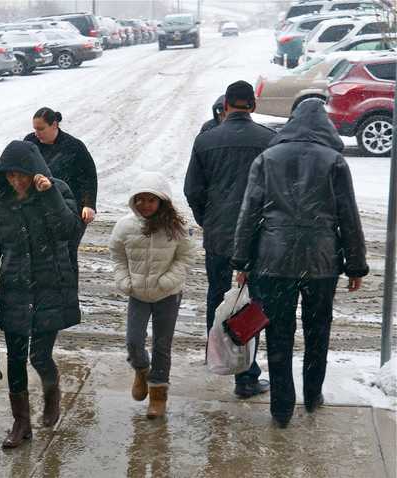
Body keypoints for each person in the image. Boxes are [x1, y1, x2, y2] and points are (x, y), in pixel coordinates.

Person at [232, 99, 369, 428]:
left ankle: (281, 407)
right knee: (318, 328)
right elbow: (348, 215)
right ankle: (313, 392)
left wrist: (241, 259)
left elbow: (249, 212)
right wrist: (355, 264)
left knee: (278, 332)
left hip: (273, 259)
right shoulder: (334, 160)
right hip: (321, 261)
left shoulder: (267, 158)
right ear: (324, 125)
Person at [0, 140, 83, 449]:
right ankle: (21, 422)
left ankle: (51, 389)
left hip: (51, 286)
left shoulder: (56, 190)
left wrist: (49, 195)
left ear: (35, 172)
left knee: (40, 355)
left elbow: (69, 230)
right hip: (15, 288)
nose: (16, 181)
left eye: (22, 175)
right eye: (10, 175)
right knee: (16, 359)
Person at [183, 80, 276, 398]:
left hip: (220, 236)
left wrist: (207, 219)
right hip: (258, 239)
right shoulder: (269, 140)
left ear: (226, 106)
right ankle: (246, 374)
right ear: (252, 104)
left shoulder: (206, 141)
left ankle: (219, 355)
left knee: (219, 296)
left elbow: (193, 190)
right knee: (251, 303)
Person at [109, 173, 195, 418]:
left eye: (151, 200)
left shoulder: (177, 227)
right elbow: (116, 253)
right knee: (134, 341)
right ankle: (141, 370)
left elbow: (187, 256)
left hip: (168, 294)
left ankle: (158, 395)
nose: (145, 205)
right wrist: (124, 280)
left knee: (162, 345)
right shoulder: (125, 226)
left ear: (162, 201)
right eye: (141, 199)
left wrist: (167, 281)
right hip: (137, 293)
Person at [24, 107, 98, 270]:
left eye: (41, 129)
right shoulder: (30, 143)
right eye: (35, 129)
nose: (37, 133)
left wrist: (89, 204)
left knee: (67, 253)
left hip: (70, 208)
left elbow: (89, 177)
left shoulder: (74, 147)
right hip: (40, 209)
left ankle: (69, 293)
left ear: (54, 125)